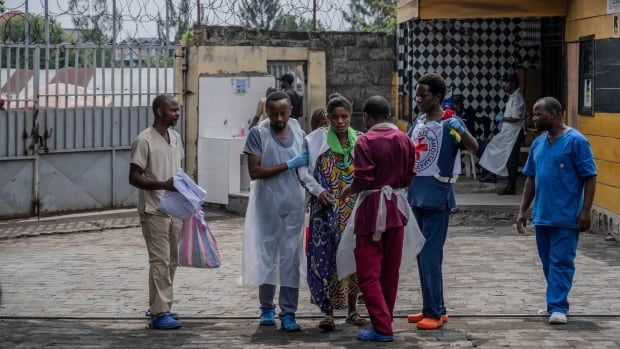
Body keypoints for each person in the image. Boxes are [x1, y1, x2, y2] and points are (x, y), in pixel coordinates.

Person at [339, 96, 422, 342]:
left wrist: (349, 190)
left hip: (371, 209)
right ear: (389, 115)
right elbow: (409, 176)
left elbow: (363, 179)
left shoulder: (365, 141)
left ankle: (382, 326)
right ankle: (385, 320)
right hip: (396, 207)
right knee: (390, 270)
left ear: (366, 117)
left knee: (368, 271)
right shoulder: (404, 139)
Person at [407, 73, 478, 330]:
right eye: (417, 94)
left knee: (430, 255)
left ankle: (434, 313)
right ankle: (433, 307)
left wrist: (459, 130)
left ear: (438, 96)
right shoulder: (419, 121)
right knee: (421, 253)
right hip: (416, 194)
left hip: (437, 197)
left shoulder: (450, 123)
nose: (418, 99)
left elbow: (473, 146)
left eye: (423, 95)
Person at [517, 97, 596, 325]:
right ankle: (554, 303)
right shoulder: (539, 143)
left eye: (538, 113)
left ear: (553, 113)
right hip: (542, 216)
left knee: (561, 262)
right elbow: (531, 178)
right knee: (548, 264)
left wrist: (586, 210)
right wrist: (523, 210)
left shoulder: (576, 141)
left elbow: (590, 177)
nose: (534, 118)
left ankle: (559, 306)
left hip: (566, 217)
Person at [241, 91, 309, 332]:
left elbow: (307, 168)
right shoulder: (258, 134)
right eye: (273, 113)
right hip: (267, 205)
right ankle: (267, 308)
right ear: (266, 112)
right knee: (267, 255)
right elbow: (255, 172)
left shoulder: (299, 132)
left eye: (283, 112)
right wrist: (288, 165)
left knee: (291, 259)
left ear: (291, 110)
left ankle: (288, 312)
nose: (279, 118)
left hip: (293, 205)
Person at [297, 96, 365, 331]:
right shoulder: (314, 140)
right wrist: (317, 191)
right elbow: (303, 170)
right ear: (327, 117)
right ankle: (328, 313)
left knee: (353, 257)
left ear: (350, 117)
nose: (339, 121)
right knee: (324, 257)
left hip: (353, 209)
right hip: (324, 209)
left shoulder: (361, 141)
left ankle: (352, 310)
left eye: (344, 117)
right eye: (334, 117)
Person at [129, 95, 184, 330]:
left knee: (171, 261)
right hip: (154, 210)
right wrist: (163, 185)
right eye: (173, 110)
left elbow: (178, 173)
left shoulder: (175, 138)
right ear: (159, 111)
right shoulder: (144, 140)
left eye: (178, 110)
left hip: (175, 209)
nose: (177, 114)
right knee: (159, 260)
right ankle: (159, 313)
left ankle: (161, 305)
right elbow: (134, 177)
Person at [479, 73, 526, 195]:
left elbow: (515, 118)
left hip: (515, 133)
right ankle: (491, 174)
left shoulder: (518, 98)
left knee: (511, 159)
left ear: (513, 83)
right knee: (492, 147)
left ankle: (511, 186)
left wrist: (502, 118)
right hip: (508, 133)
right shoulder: (512, 96)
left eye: (506, 82)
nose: (504, 85)